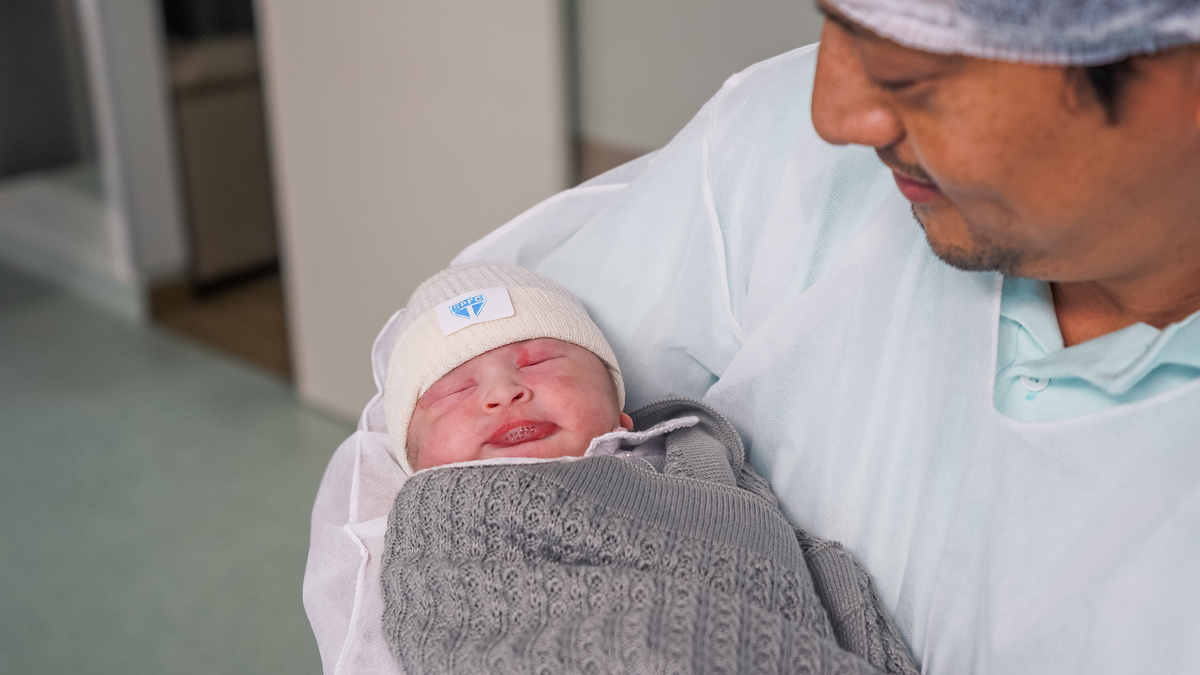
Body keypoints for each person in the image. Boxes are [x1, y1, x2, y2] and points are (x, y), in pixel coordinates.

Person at [305, 2, 1200, 673]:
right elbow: (410, 435)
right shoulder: (789, 161)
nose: (833, 112)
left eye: (908, 72)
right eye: (835, 20)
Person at [377, 262, 918, 673]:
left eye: (539, 361)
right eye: (454, 391)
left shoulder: (696, 462)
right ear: (416, 465)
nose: (503, 393)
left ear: (619, 412)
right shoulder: (441, 531)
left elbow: (799, 568)